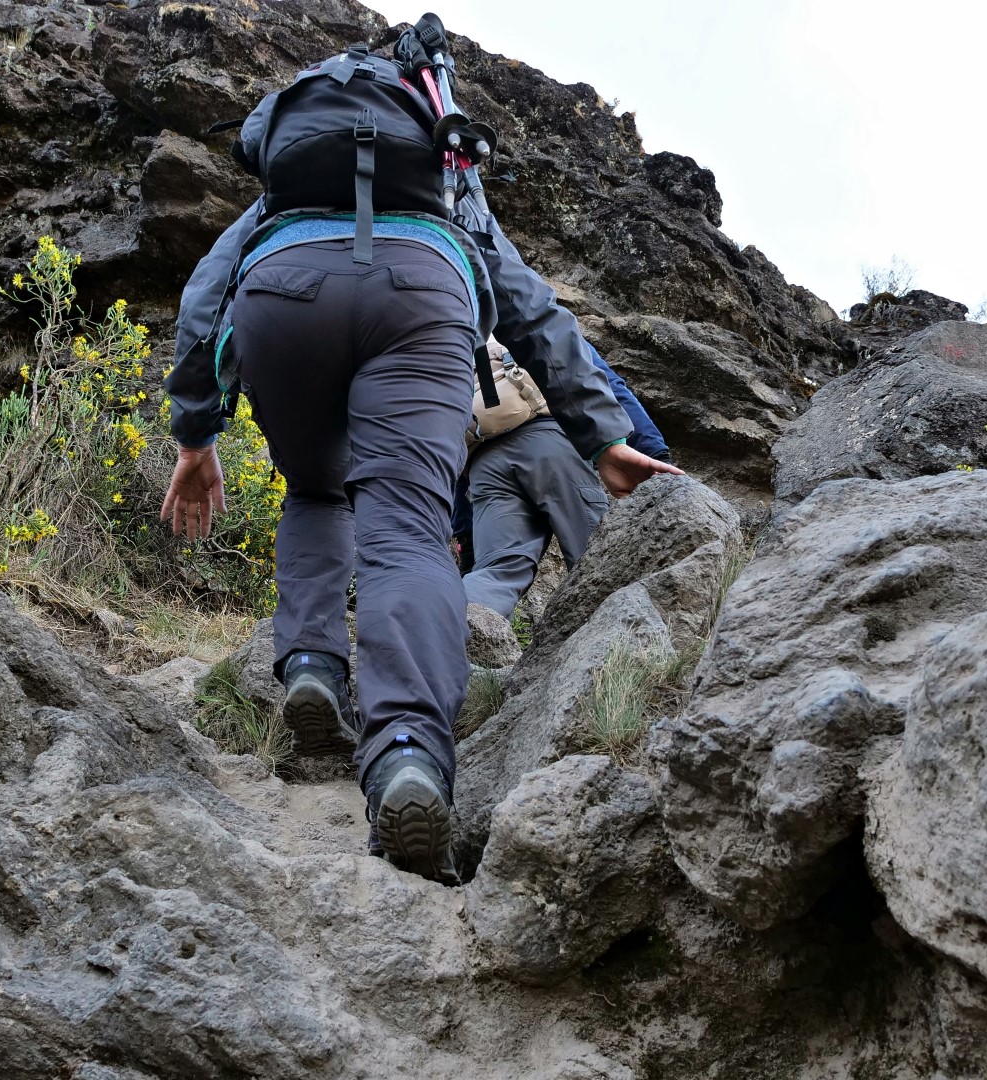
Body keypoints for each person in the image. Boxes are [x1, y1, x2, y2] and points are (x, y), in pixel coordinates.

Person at [159, 19, 679, 883]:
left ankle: (315, 666)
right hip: (424, 294)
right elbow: (530, 308)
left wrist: (195, 433)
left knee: (315, 494)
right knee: (405, 528)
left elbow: (205, 290)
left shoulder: (281, 193)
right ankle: (405, 753)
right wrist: (604, 438)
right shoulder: (447, 179)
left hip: (282, 294)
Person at [459, 343, 675, 618]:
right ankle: (624, 651)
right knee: (595, 555)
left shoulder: (459, 357)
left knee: (498, 570)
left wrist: (466, 536)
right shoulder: (540, 332)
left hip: (483, 463)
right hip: (550, 442)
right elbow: (609, 386)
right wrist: (657, 454)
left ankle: (461, 638)